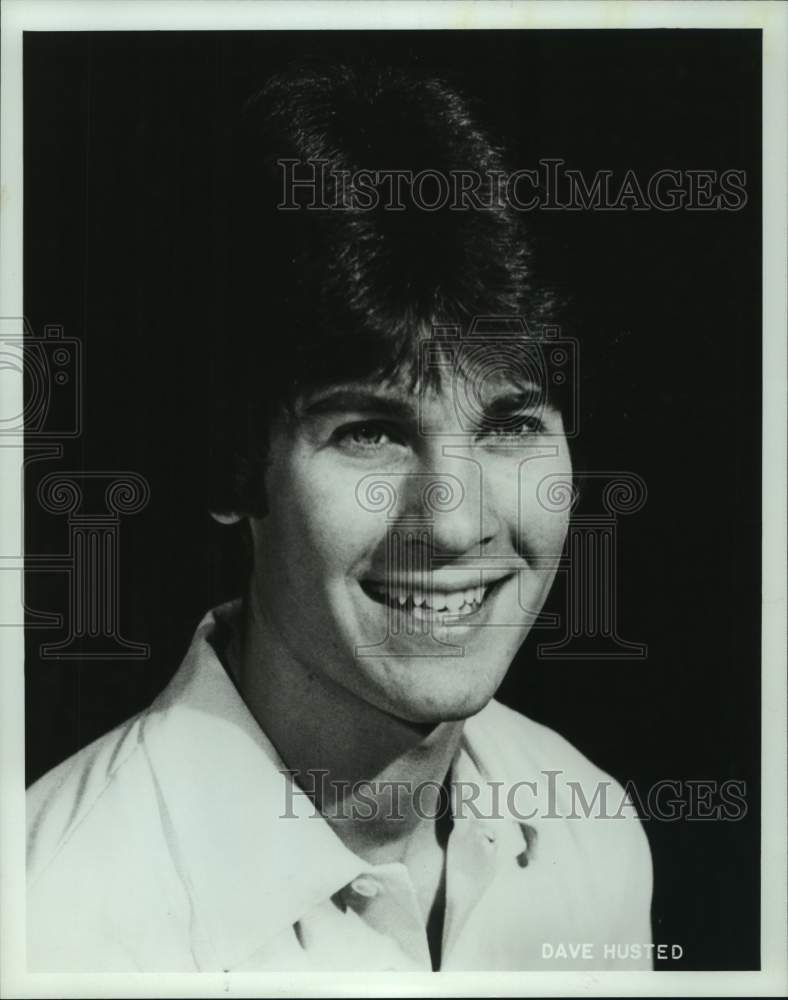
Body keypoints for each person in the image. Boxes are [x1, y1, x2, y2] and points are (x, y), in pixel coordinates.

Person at [26, 60, 653, 972]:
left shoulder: (590, 836)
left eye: (512, 423)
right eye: (370, 433)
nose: (453, 523)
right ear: (234, 469)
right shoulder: (59, 921)